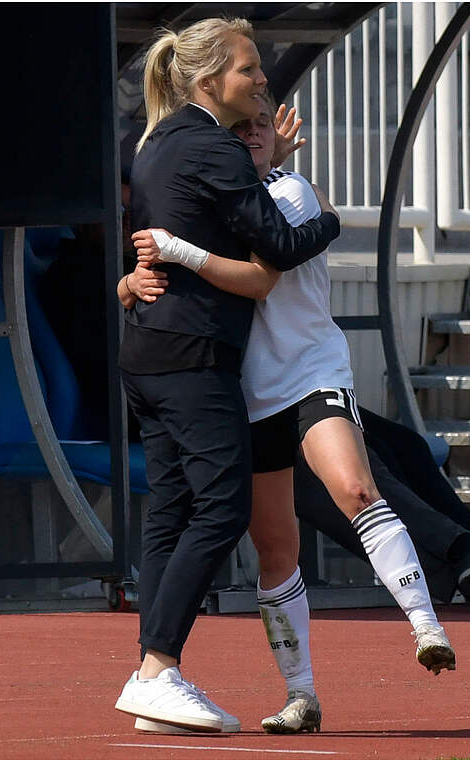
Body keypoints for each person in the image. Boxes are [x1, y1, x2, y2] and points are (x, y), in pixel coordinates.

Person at [126, 91, 457, 734]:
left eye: (260, 127)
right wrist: (133, 279)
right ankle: (301, 694)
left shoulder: (291, 192)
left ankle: (425, 625)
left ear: (280, 136)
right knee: (275, 550)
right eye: (238, 128)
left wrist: (182, 247)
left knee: (354, 487)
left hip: (309, 372)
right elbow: (149, 267)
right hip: (246, 389)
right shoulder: (222, 200)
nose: (250, 136)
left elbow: (265, 268)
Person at [112, 17, 341, 733]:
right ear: (210, 81)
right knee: (220, 510)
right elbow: (278, 244)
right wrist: (328, 217)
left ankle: (153, 674)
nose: (263, 79)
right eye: (250, 69)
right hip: (194, 358)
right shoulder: (213, 147)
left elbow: (176, 240)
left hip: (149, 353)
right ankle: (156, 670)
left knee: (173, 513)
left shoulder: (159, 143)